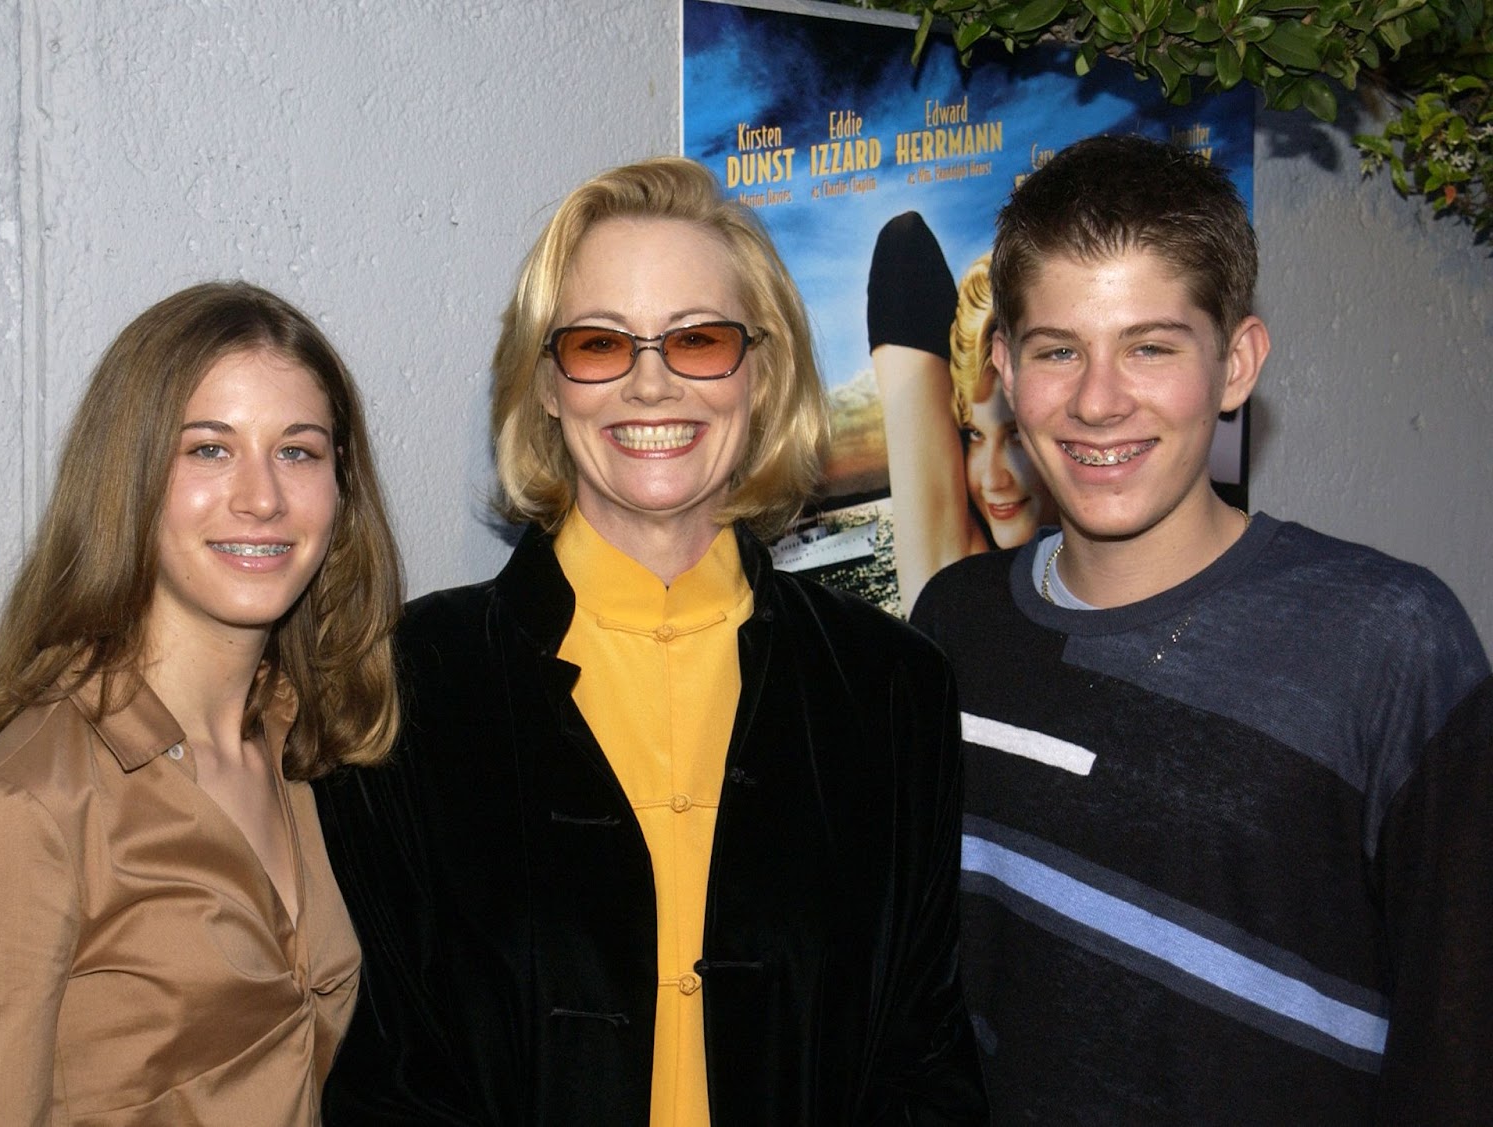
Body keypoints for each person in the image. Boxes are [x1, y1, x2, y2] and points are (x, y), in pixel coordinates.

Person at [315, 156, 987, 1125]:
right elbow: (384, 1078)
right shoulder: (406, 687)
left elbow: (921, 1062)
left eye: (699, 338)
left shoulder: (890, 690)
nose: (650, 383)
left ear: (761, 371)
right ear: (546, 383)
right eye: (599, 344)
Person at [912, 133, 1493, 1123]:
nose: (1098, 400)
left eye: (1149, 346)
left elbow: (1463, 1038)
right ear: (1005, 369)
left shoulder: (1391, 640)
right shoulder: (955, 623)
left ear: (1235, 362)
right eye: (1058, 350)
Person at [0, 281, 402, 1125]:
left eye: (298, 450)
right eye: (209, 449)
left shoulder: (312, 757)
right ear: (128, 477)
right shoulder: (20, 811)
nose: (262, 497)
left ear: (341, 487)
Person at [869, 216, 1056, 616]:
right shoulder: (954, 586)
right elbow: (903, 246)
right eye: (973, 434)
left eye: (1017, 435)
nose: (993, 480)